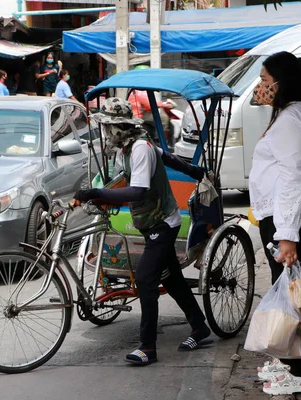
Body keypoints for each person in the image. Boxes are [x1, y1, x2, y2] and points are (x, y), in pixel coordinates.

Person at [73, 97, 213, 366]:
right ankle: (199, 327)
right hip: (148, 223)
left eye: (108, 127)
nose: (105, 133)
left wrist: (96, 193)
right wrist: (195, 171)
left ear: (120, 127)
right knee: (171, 279)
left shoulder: (140, 148)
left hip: (163, 222)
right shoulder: (126, 148)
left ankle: (147, 347)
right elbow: (169, 158)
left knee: (146, 279)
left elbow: (138, 191)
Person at [248, 51, 301, 395]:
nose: (261, 88)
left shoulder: (290, 121)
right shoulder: (294, 114)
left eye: (266, 81)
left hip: (292, 223)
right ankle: (294, 365)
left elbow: (293, 179)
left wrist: (286, 236)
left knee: (295, 297)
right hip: (297, 220)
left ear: (282, 83)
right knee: (297, 294)